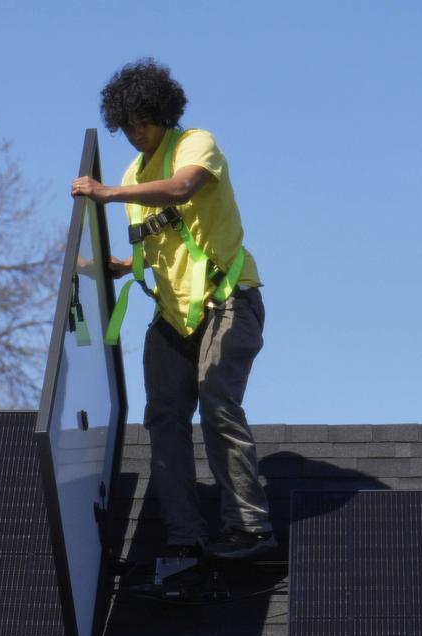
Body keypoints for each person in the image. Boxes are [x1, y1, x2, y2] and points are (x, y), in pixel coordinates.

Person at [71, 58, 275, 567]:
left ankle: (250, 528)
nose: (135, 133)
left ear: (161, 113)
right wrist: (116, 266)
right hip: (173, 315)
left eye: (142, 122)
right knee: (162, 419)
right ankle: (185, 535)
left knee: (217, 401)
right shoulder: (132, 175)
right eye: (127, 126)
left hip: (228, 300)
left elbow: (184, 188)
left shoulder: (195, 145)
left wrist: (106, 195)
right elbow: (156, 248)